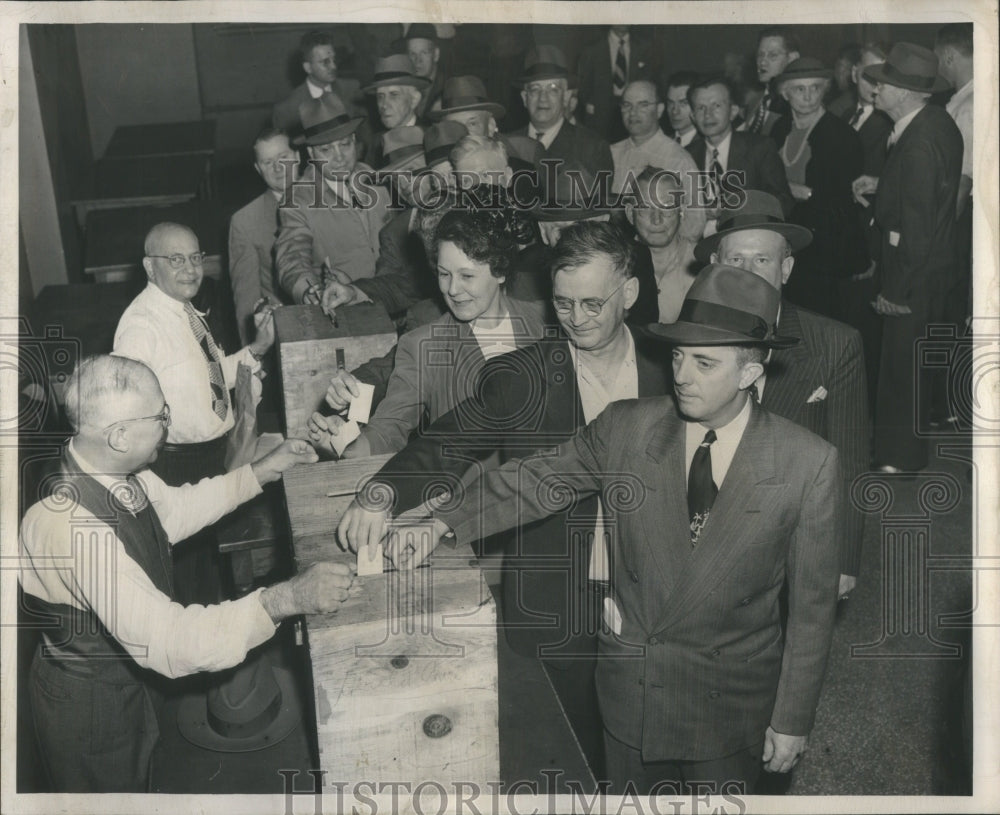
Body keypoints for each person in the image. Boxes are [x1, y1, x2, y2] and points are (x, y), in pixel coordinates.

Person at [358, 264, 843, 795]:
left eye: (705, 363)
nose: (681, 374)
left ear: (751, 373)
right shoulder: (627, 427)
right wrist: (443, 521)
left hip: (728, 706)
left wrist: (792, 717)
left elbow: (813, 611)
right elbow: (533, 481)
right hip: (629, 695)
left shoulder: (806, 464)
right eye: (678, 356)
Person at [337, 220, 672, 776]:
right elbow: (452, 439)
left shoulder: (671, 368)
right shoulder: (523, 374)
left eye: (593, 303)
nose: (577, 320)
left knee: (650, 737)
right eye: (563, 304)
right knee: (569, 746)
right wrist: (379, 493)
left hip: (653, 592)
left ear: (629, 294)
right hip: (557, 589)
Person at [19, 354, 354, 792]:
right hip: (92, 709)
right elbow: (168, 641)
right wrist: (286, 599)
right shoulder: (71, 528)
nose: (168, 424)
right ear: (119, 435)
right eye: (160, 416)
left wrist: (264, 470)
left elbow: (172, 513)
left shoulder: (107, 464)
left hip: (125, 676)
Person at [697, 189, 869, 599]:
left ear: (786, 268)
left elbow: (850, 458)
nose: (749, 272)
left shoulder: (835, 344)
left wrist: (842, 559)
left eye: (763, 260)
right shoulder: (688, 340)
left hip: (791, 537)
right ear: (716, 265)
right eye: (736, 259)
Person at [113, 222, 276, 603]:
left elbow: (215, 375)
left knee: (221, 564)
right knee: (193, 582)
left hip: (216, 455)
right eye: (175, 259)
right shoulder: (140, 327)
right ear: (150, 267)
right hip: (176, 469)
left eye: (195, 257)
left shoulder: (185, 312)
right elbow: (125, 410)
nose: (190, 268)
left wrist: (260, 346)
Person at [307, 206, 546, 459]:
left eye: (467, 276)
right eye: (444, 274)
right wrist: (345, 444)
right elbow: (389, 429)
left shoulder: (546, 319)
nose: (452, 289)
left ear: (500, 272)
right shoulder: (422, 345)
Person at [852, 43, 962, 473]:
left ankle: (898, 460)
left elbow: (915, 230)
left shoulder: (916, 143)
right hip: (934, 270)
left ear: (908, 93)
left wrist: (895, 292)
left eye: (885, 83)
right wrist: (885, 185)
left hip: (913, 276)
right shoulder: (934, 122)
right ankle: (904, 454)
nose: (876, 88)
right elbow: (930, 196)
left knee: (901, 369)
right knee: (912, 367)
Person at [274, 93, 392, 306]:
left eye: (345, 144)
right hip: (349, 314)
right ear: (310, 152)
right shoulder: (298, 199)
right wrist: (308, 290)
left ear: (354, 141)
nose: (339, 157)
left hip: (394, 300)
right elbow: (291, 258)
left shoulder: (376, 179)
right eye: (326, 149)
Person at [770, 58, 867, 318]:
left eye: (815, 87)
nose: (808, 96)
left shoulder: (841, 136)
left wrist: (806, 193)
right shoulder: (777, 130)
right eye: (799, 89)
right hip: (782, 241)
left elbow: (846, 202)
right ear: (785, 93)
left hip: (824, 250)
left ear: (825, 90)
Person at [685, 76, 793, 232]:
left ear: (733, 111)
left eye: (716, 106)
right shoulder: (687, 155)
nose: (708, 115)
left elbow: (784, 202)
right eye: (701, 108)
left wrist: (737, 209)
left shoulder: (759, 148)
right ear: (693, 116)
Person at [610, 80, 706, 242]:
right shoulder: (611, 152)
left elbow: (694, 225)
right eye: (627, 105)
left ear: (659, 109)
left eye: (643, 105)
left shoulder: (677, 159)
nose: (633, 113)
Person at [228, 126, 297, 345]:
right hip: (287, 337)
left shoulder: (331, 200)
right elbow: (246, 304)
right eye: (268, 163)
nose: (278, 168)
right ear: (258, 169)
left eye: (283, 157)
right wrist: (253, 362)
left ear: (298, 157)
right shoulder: (245, 222)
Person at [510, 46, 614, 180]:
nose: (543, 98)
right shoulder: (507, 144)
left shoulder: (592, 149)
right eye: (535, 89)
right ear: (525, 98)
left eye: (553, 89)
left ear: (565, 97)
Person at [625, 167, 698, 322]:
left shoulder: (702, 267)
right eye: (645, 207)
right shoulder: (613, 264)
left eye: (667, 207)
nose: (656, 219)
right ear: (630, 213)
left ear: (682, 211)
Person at [272, 29, 364, 138]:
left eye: (333, 59)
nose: (333, 66)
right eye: (325, 62)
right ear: (308, 68)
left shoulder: (353, 90)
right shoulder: (287, 110)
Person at [576, 26, 656, 143]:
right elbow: (582, 83)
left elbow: (650, 81)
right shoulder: (592, 48)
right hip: (600, 113)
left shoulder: (644, 47)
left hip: (632, 110)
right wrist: (591, 104)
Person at [364, 54, 431, 168]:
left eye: (394, 95)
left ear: (414, 99)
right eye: (380, 96)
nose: (384, 105)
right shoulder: (376, 143)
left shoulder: (431, 138)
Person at [744, 27, 800, 136]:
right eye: (760, 55)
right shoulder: (755, 101)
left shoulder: (798, 105)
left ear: (793, 58)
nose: (762, 62)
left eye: (772, 55)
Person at [405, 23, 445, 119]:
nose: (418, 60)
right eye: (412, 54)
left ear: (436, 55)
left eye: (424, 53)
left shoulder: (449, 90)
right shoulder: (403, 87)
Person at [662, 70, 699, 147]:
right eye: (671, 103)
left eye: (683, 103)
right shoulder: (662, 143)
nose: (675, 111)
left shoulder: (707, 147)